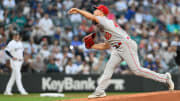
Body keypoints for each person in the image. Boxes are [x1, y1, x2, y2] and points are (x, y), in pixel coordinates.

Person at [68, 5, 174, 98]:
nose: (94, 11)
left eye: (96, 10)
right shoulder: (103, 27)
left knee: (137, 70)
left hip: (126, 45)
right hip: (118, 48)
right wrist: (92, 46)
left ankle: (165, 78)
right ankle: (99, 91)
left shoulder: (103, 20)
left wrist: (78, 10)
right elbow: (106, 46)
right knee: (109, 67)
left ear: (101, 12)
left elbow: (90, 17)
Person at [4, 31, 28, 95]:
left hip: (20, 61)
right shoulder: (11, 43)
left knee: (13, 77)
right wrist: (12, 57)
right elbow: (6, 51)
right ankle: (21, 90)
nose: (17, 36)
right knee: (18, 76)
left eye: (17, 35)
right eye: (15, 35)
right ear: (13, 36)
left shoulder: (20, 43)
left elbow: (22, 51)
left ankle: (7, 90)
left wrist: (23, 57)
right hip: (14, 61)